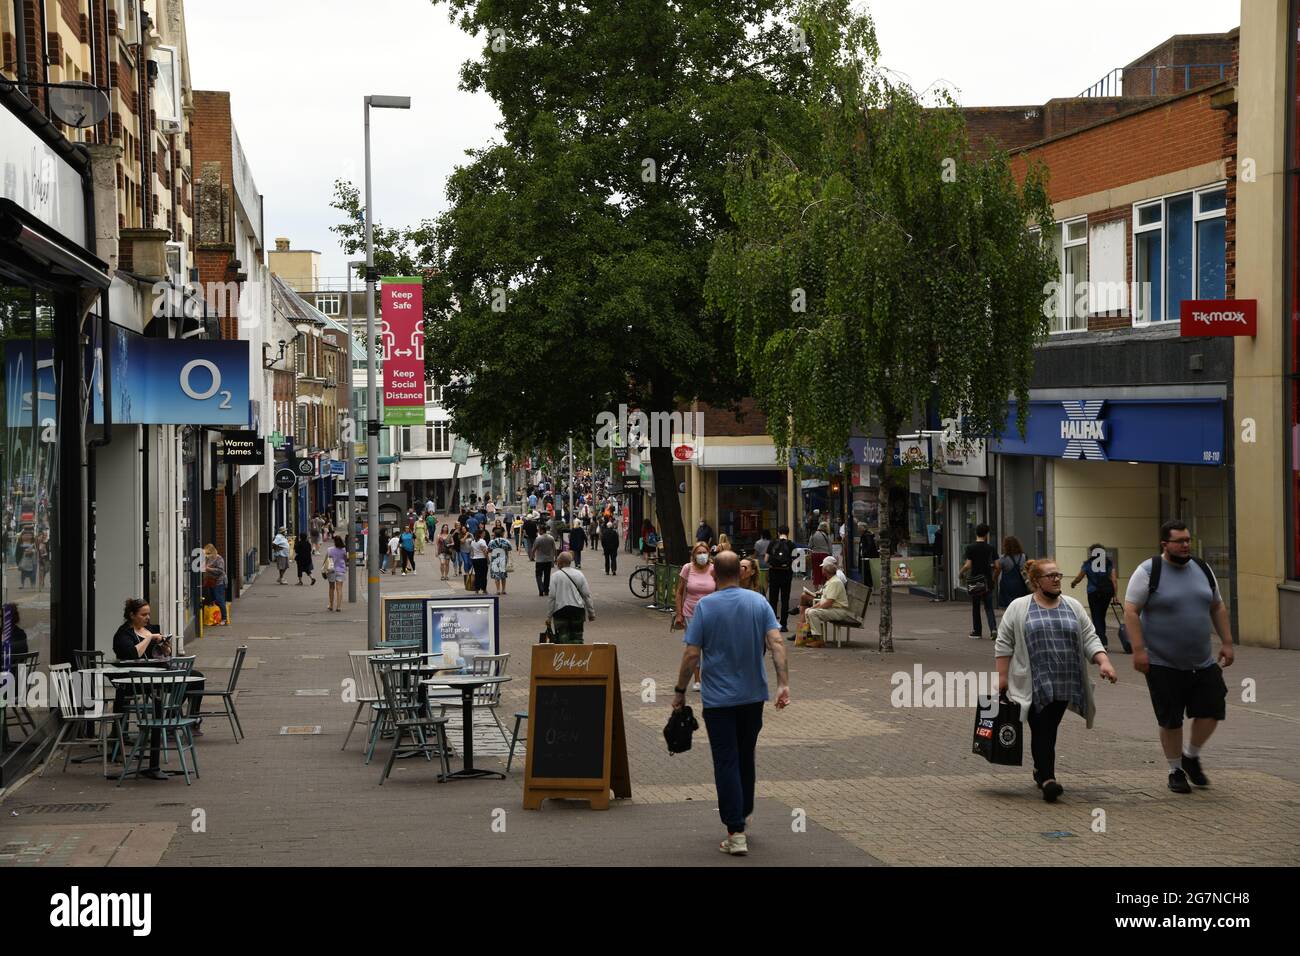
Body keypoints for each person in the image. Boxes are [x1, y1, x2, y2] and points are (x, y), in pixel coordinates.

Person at [672, 551, 790, 856]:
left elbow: (691, 654)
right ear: (740, 573)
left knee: (726, 760)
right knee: (745, 755)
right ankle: (744, 811)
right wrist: (783, 684)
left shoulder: (706, 607)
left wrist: (680, 690)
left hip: (718, 700)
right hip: (753, 697)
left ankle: (735, 830)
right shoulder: (759, 602)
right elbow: (776, 643)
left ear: (713, 574)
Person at [1123, 520, 1234, 794]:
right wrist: (1139, 650)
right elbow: (1130, 610)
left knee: (1212, 710)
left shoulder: (1202, 569)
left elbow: (1217, 605)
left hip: (1202, 661)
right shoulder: (1149, 571)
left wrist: (1227, 642)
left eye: (1188, 540)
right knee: (1170, 719)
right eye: (1180, 541)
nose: (1186, 545)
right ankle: (1175, 770)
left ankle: (1191, 755)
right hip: (1162, 663)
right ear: (1165, 544)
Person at [996, 558, 1117, 802]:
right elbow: (1004, 642)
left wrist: (1103, 661)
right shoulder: (1019, 607)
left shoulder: (1072, 606)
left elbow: (1089, 637)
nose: (1056, 579)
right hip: (1033, 683)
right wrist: (1002, 677)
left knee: (1048, 728)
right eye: (1050, 576)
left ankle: (1041, 771)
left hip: (1065, 682)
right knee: (1042, 727)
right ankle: (1048, 778)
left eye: (1058, 575)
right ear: (1036, 581)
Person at [675, 542, 717, 691]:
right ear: (693, 555)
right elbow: (679, 592)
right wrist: (679, 614)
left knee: (711, 647)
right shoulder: (687, 568)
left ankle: (710, 678)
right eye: (698, 553)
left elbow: (720, 590)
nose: (702, 555)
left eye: (704, 552)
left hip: (711, 614)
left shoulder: (714, 569)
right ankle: (697, 680)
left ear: (709, 554)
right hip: (690, 613)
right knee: (694, 647)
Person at [1071, 543, 1117, 648]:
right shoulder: (1109, 563)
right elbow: (1113, 580)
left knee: (1096, 616)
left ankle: (1102, 641)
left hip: (1093, 593)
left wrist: (1073, 583)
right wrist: (1115, 596)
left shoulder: (1088, 563)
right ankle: (1102, 640)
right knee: (1102, 616)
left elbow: (1079, 577)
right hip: (1107, 592)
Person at [803, 556, 857, 646]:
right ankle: (812, 637)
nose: (821, 570)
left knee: (813, 613)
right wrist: (812, 608)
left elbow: (828, 603)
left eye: (823, 568)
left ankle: (818, 639)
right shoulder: (830, 581)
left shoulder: (835, 582)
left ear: (825, 571)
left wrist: (814, 609)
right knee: (810, 611)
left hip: (839, 611)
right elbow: (823, 601)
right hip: (834, 609)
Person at [959, 523, 998, 639]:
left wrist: (960, 573)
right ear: (986, 534)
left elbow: (968, 565)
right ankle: (993, 629)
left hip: (975, 580)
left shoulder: (970, 548)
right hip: (987, 580)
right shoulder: (991, 548)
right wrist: (993, 578)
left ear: (976, 533)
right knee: (989, 607)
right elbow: (997, 565)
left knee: (976, 606)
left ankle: (977, 631)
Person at [548, 551, 595, 643]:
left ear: (560, 562)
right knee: (577, 638)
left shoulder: (555, 576)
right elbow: (586, 595)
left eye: (557, 561)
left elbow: (552, 597)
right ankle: (578, 656)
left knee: (562, 638)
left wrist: (549, 616)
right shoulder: (579, 574)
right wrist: (591, 613)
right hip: (577, 610)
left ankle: (564, 656)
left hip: (560, 611)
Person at [766, 526, 795, 634]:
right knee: (785, 600)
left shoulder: (772, 543)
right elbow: (796, 561)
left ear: (778, 533)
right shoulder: (791, 545)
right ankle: (784, 624)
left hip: (774, 574)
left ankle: (772, 624)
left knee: (773, 599)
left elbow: (766, 559)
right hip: (786, 574)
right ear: (788, 533)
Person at [996, 535, 1031, 610]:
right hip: (1021, 586)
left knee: (1008, 608)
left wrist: (993, 579)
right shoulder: (1024, 557)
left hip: (1007, 587)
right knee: (1021, 606)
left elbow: (997, 571)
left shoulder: (1003, 558)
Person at [201, 544, 229, 625]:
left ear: (212, 552)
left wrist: (209, 569)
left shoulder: (219, 558)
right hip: (210, 581)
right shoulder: (207, 559)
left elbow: (220, 571)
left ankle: (224, 618)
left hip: (219, 582)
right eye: (206, 553)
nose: (207, 555)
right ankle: (215, 617)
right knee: (213, 600)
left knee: (219, 599)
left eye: (208, 553)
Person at [531, 523, 557, 596]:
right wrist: (556, 558)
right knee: (547, 575)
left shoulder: (538, 539)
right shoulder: (551, 538)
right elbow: (554, 549)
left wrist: (531, 556)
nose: (538, 531)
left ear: (542, 530)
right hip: (548, 560)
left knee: (538, 575)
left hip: (539, 560)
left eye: (539, 530)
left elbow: (534, 549)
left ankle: (541, 589)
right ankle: (546, 590)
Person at [324, 535, 347, 612]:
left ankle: (331, 605)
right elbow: (345, 559)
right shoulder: (343, 550)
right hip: (341, 570)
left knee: (331, 588)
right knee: (339, 589)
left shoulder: (329, 550)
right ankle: (339, 607)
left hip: (331, 570)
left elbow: (325, 560)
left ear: (334, 541)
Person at [489, 526, 513, 596]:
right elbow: (510, 548)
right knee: (503, 575)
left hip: (495, 559)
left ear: (495, 534)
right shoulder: (506, 541)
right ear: (502, 534)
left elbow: (489, 550)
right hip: (503, 559)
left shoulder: (492, 542)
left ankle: (498, 590)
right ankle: (504, 590)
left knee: (496, 575)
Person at [470, 528, 491, 594]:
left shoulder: (473, 541)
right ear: (480, 534)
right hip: (482, 559)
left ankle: (477, 588)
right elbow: (485, 551)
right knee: (483, 575)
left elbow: (473, 551)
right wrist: (487, 559)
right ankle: (484, 589)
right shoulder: (482, 541)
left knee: (477, 574)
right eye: (483, 533)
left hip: (475, 559)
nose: (484, 534)